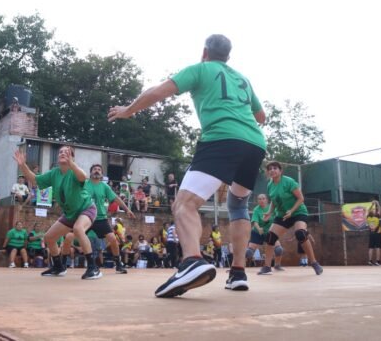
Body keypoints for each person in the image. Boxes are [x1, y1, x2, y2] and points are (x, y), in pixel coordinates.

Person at [109, 34, 267, 297]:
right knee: (238, 205)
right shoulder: (243, 80)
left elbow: (157, 92)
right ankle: (238, 273)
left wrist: (128, 110)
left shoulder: (200, 69)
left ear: (204, 52)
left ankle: (192, 261)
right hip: (254, 144)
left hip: (221, 138)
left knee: (183, 204)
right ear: (228, 56)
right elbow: (260, 116)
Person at [14, 145, 101, 280]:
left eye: (66, 152)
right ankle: (58, 267)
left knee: (78, 229)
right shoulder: (54, 173)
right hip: (70, 213)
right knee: (49, 237)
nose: (62, 153)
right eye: (60, 152)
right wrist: (23, 165)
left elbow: (83, 177)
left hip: (86, 208)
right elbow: (35, 180)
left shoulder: (74, 171)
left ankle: (93, 268)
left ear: (72, 157)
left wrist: (72, 164)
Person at [61, 164, 135, 274]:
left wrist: (127, 209)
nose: (97, 171)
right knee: (68, 237)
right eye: (94, 169)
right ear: (90, 172)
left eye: (99, 170)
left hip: (100, 218)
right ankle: (62, 264)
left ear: (102, 174)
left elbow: (116, 199)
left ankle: (118, 265)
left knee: (113, 239)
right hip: (85, 217)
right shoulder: (84, 183)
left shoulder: (105, 187)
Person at [258, 161, 323, 276]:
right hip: (283, 214)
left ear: (280, 171)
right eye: (270, 169)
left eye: (275, 168)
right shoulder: (270, 185)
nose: (272, 170)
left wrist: (291, 211)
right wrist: (269, 212)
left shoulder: (289, 182)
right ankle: (267, 267)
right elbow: (274, 200)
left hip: (298, 212)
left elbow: (301, 198)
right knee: (270, 237)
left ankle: (314, 263)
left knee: (300, 234)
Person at [249, 194, 284, 270]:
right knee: (249, 252)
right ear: (257, 201)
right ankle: (239, 266)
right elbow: (255, 222)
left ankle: (277, 265)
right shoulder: (256, 209)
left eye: (263, 198)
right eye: (259, 199)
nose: (261, 200)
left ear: (267, 200)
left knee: (279, 249)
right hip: (257, 232)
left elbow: (278, 217)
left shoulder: (272, 208)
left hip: (270, 231)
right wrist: (259, 228)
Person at [367, 200, 381, 266]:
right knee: (378, 247)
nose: (375, 210)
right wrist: (377, 203)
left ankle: (370, 261)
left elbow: (368, 210)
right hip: (377, 233)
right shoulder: (377, 216)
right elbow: (379, 209)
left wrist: (372, 204)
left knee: (371, 248)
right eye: (374, 210)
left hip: (371, 234)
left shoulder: (368, 218)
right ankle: (377, 261)